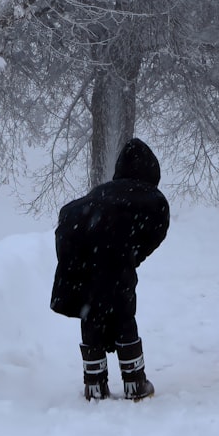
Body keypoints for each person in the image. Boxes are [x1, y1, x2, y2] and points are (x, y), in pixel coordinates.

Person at [50, 137, 170, 401]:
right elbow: (155, 233)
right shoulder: (151, 197)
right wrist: (130, 257)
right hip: (113, 255)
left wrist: (76, 261)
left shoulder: (102, 193)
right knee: (123, 315)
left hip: (79, 248)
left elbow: (68, 219)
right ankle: (135, 383)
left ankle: (94, 386)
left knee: (90, 314)